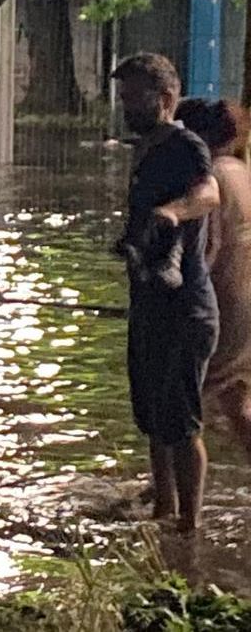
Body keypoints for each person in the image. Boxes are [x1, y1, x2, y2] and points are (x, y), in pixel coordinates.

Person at [112, 53, 219, 532]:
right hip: (149, 300)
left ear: (167, 98)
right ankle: (163, 514)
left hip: (185, 305)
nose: (127, 106)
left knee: (181, 422)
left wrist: (173, 212)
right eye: (124, 97)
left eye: (136, 97)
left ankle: (189, 528)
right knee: (154, 417)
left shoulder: (185, 144)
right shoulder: (145, 148)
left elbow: (209, 193)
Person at [175, 98, 251, 462]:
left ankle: (171, 496)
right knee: (236, 400)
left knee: (177, 402)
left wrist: (180, 295)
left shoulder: (212, 177)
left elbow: (210, 248)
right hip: (247, 294)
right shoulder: (240, 169)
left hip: (225, 298)